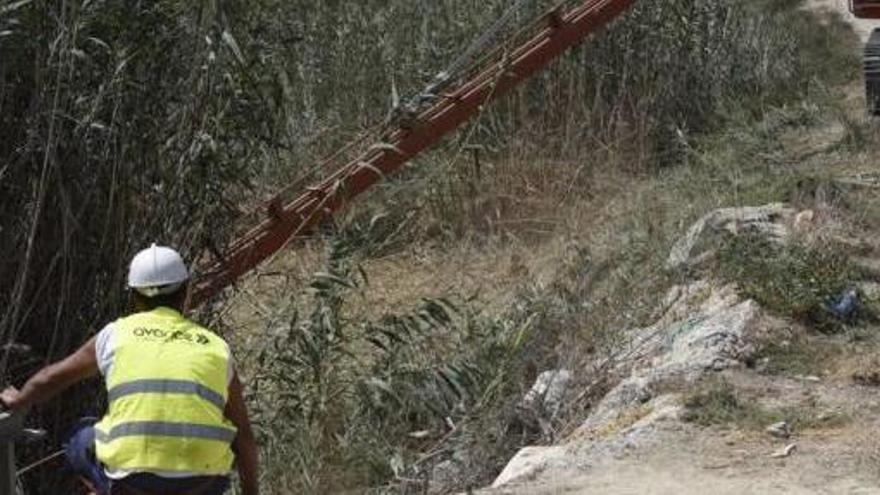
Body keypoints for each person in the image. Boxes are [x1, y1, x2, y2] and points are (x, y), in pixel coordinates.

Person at [1, 244, 259, 495]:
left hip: (134, 484)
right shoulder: (216, 347)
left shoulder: (114, 335)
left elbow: (50, 378)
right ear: (186, 291)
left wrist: (20, 398)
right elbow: (244, 436)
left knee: (80, 437)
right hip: (203, 484)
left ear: (134, 296)